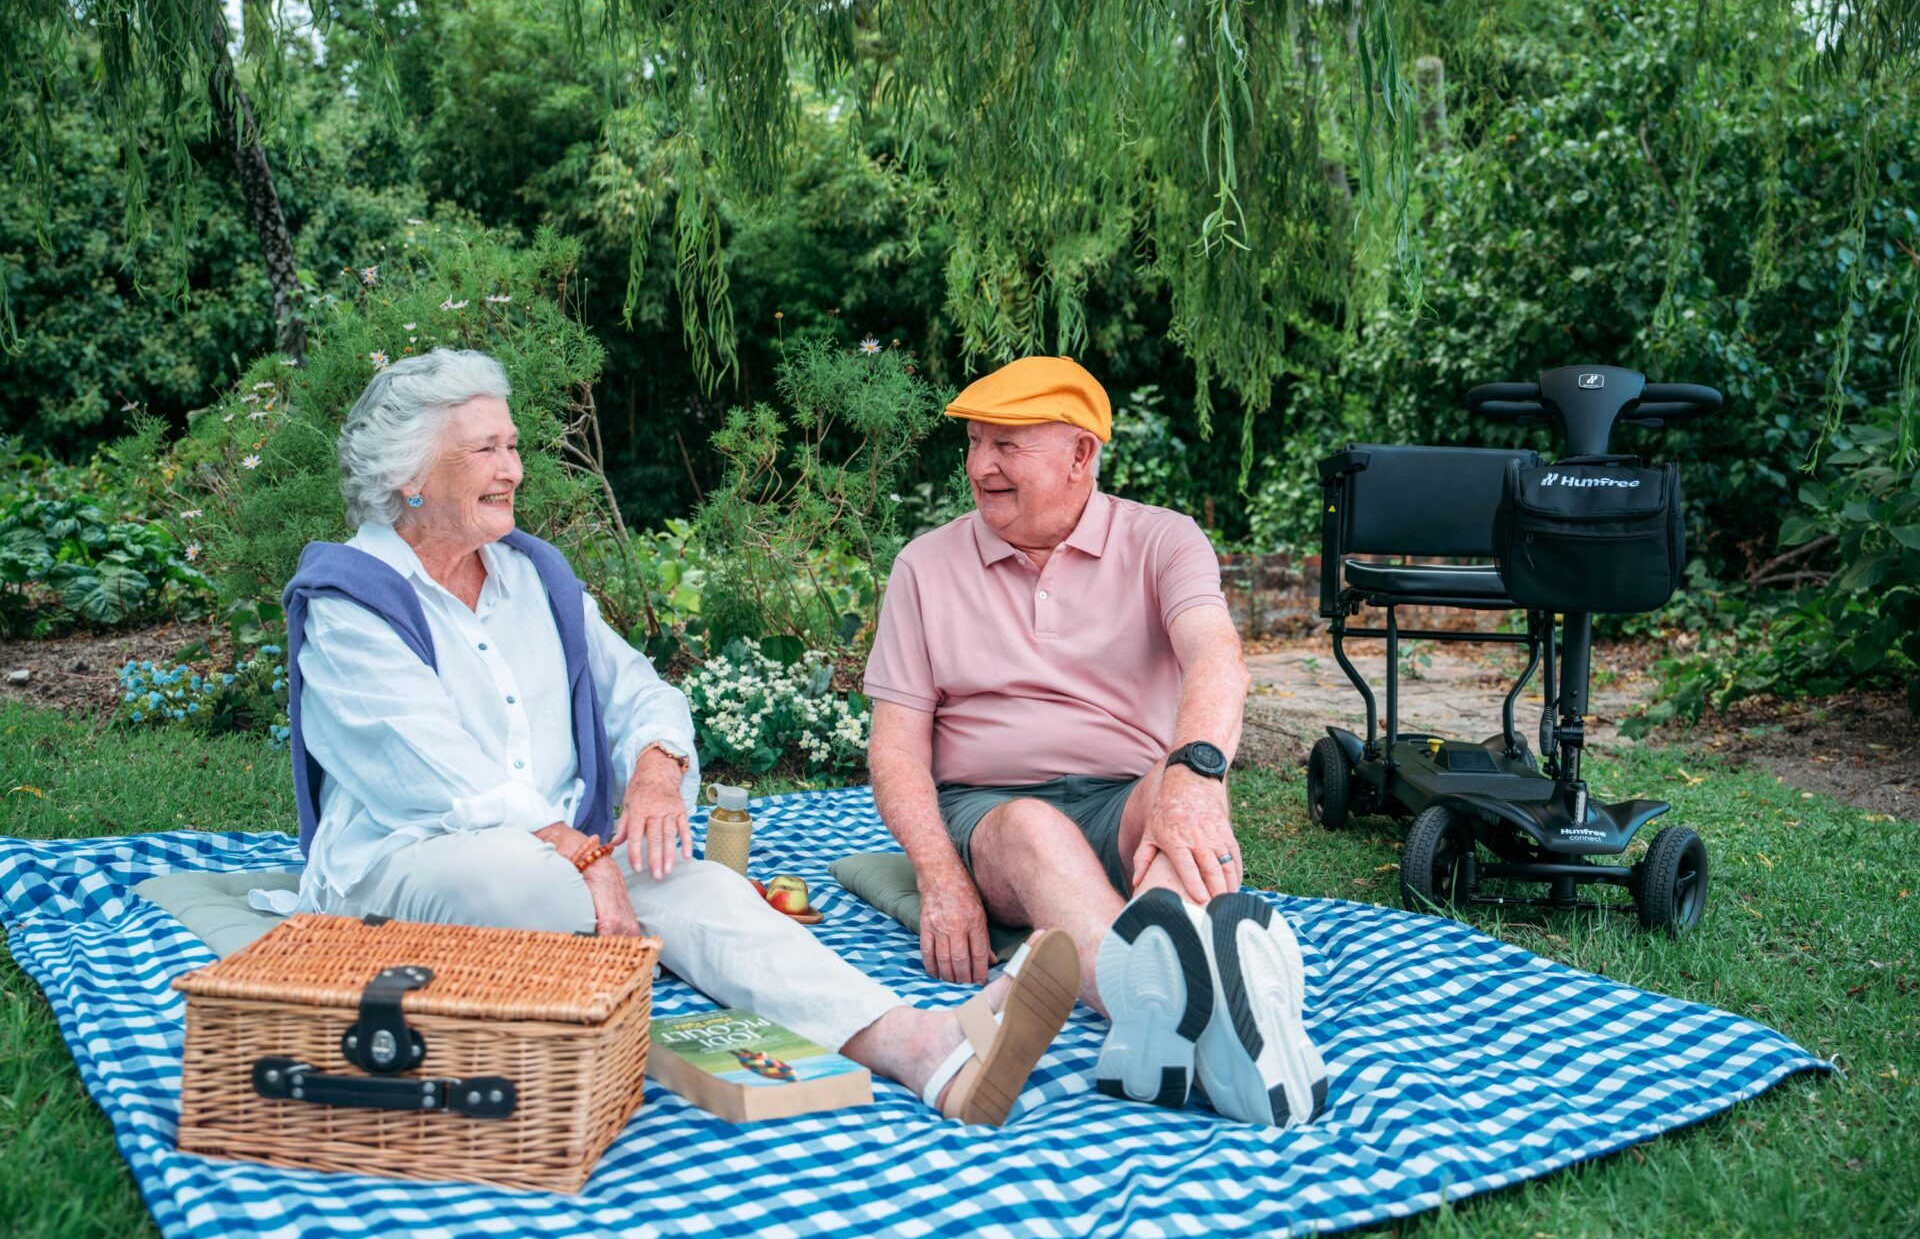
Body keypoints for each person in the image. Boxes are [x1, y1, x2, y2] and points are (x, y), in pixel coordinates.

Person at [264, 348, 1078, 1126]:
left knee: (701, 887)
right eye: (486, 450)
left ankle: (922, 1048)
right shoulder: (350, 600)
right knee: (514, 883)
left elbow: (638, 691)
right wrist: (582, 855)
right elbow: (430, 772)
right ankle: (583, 976)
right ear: (407, 476)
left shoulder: (532, 574)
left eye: (512, 446)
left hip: (569, 856)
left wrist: (655, 773)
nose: (513, 469)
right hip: (415, 861)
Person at [864, 356, 1327, 1125]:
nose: (979, 467)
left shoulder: (1163, 540)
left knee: (1181, 812)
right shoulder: (925, 566)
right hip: (994, 813)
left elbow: (1217, 659)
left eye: (1006, 446)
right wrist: (940, 876)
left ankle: (1171, 1023)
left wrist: (1194, 780)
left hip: (1127, 799)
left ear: (1081, 454)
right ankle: (1229, 1018)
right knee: (1034, 829)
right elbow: (896, 749)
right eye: (974, 443)